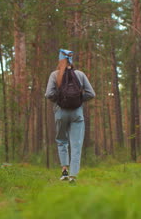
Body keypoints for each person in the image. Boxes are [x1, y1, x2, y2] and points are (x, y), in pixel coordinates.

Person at [45, 49, 95, 183]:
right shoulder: (80, 74)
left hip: (60, 112)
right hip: (77, 113)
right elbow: (91, 94)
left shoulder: (55, 75)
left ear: (60, 60)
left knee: (62, 141)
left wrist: (60, 100)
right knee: (76, 144)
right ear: (71, 61)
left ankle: (64, 171)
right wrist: (79, 100)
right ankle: (73, 176)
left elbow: (49, 94)